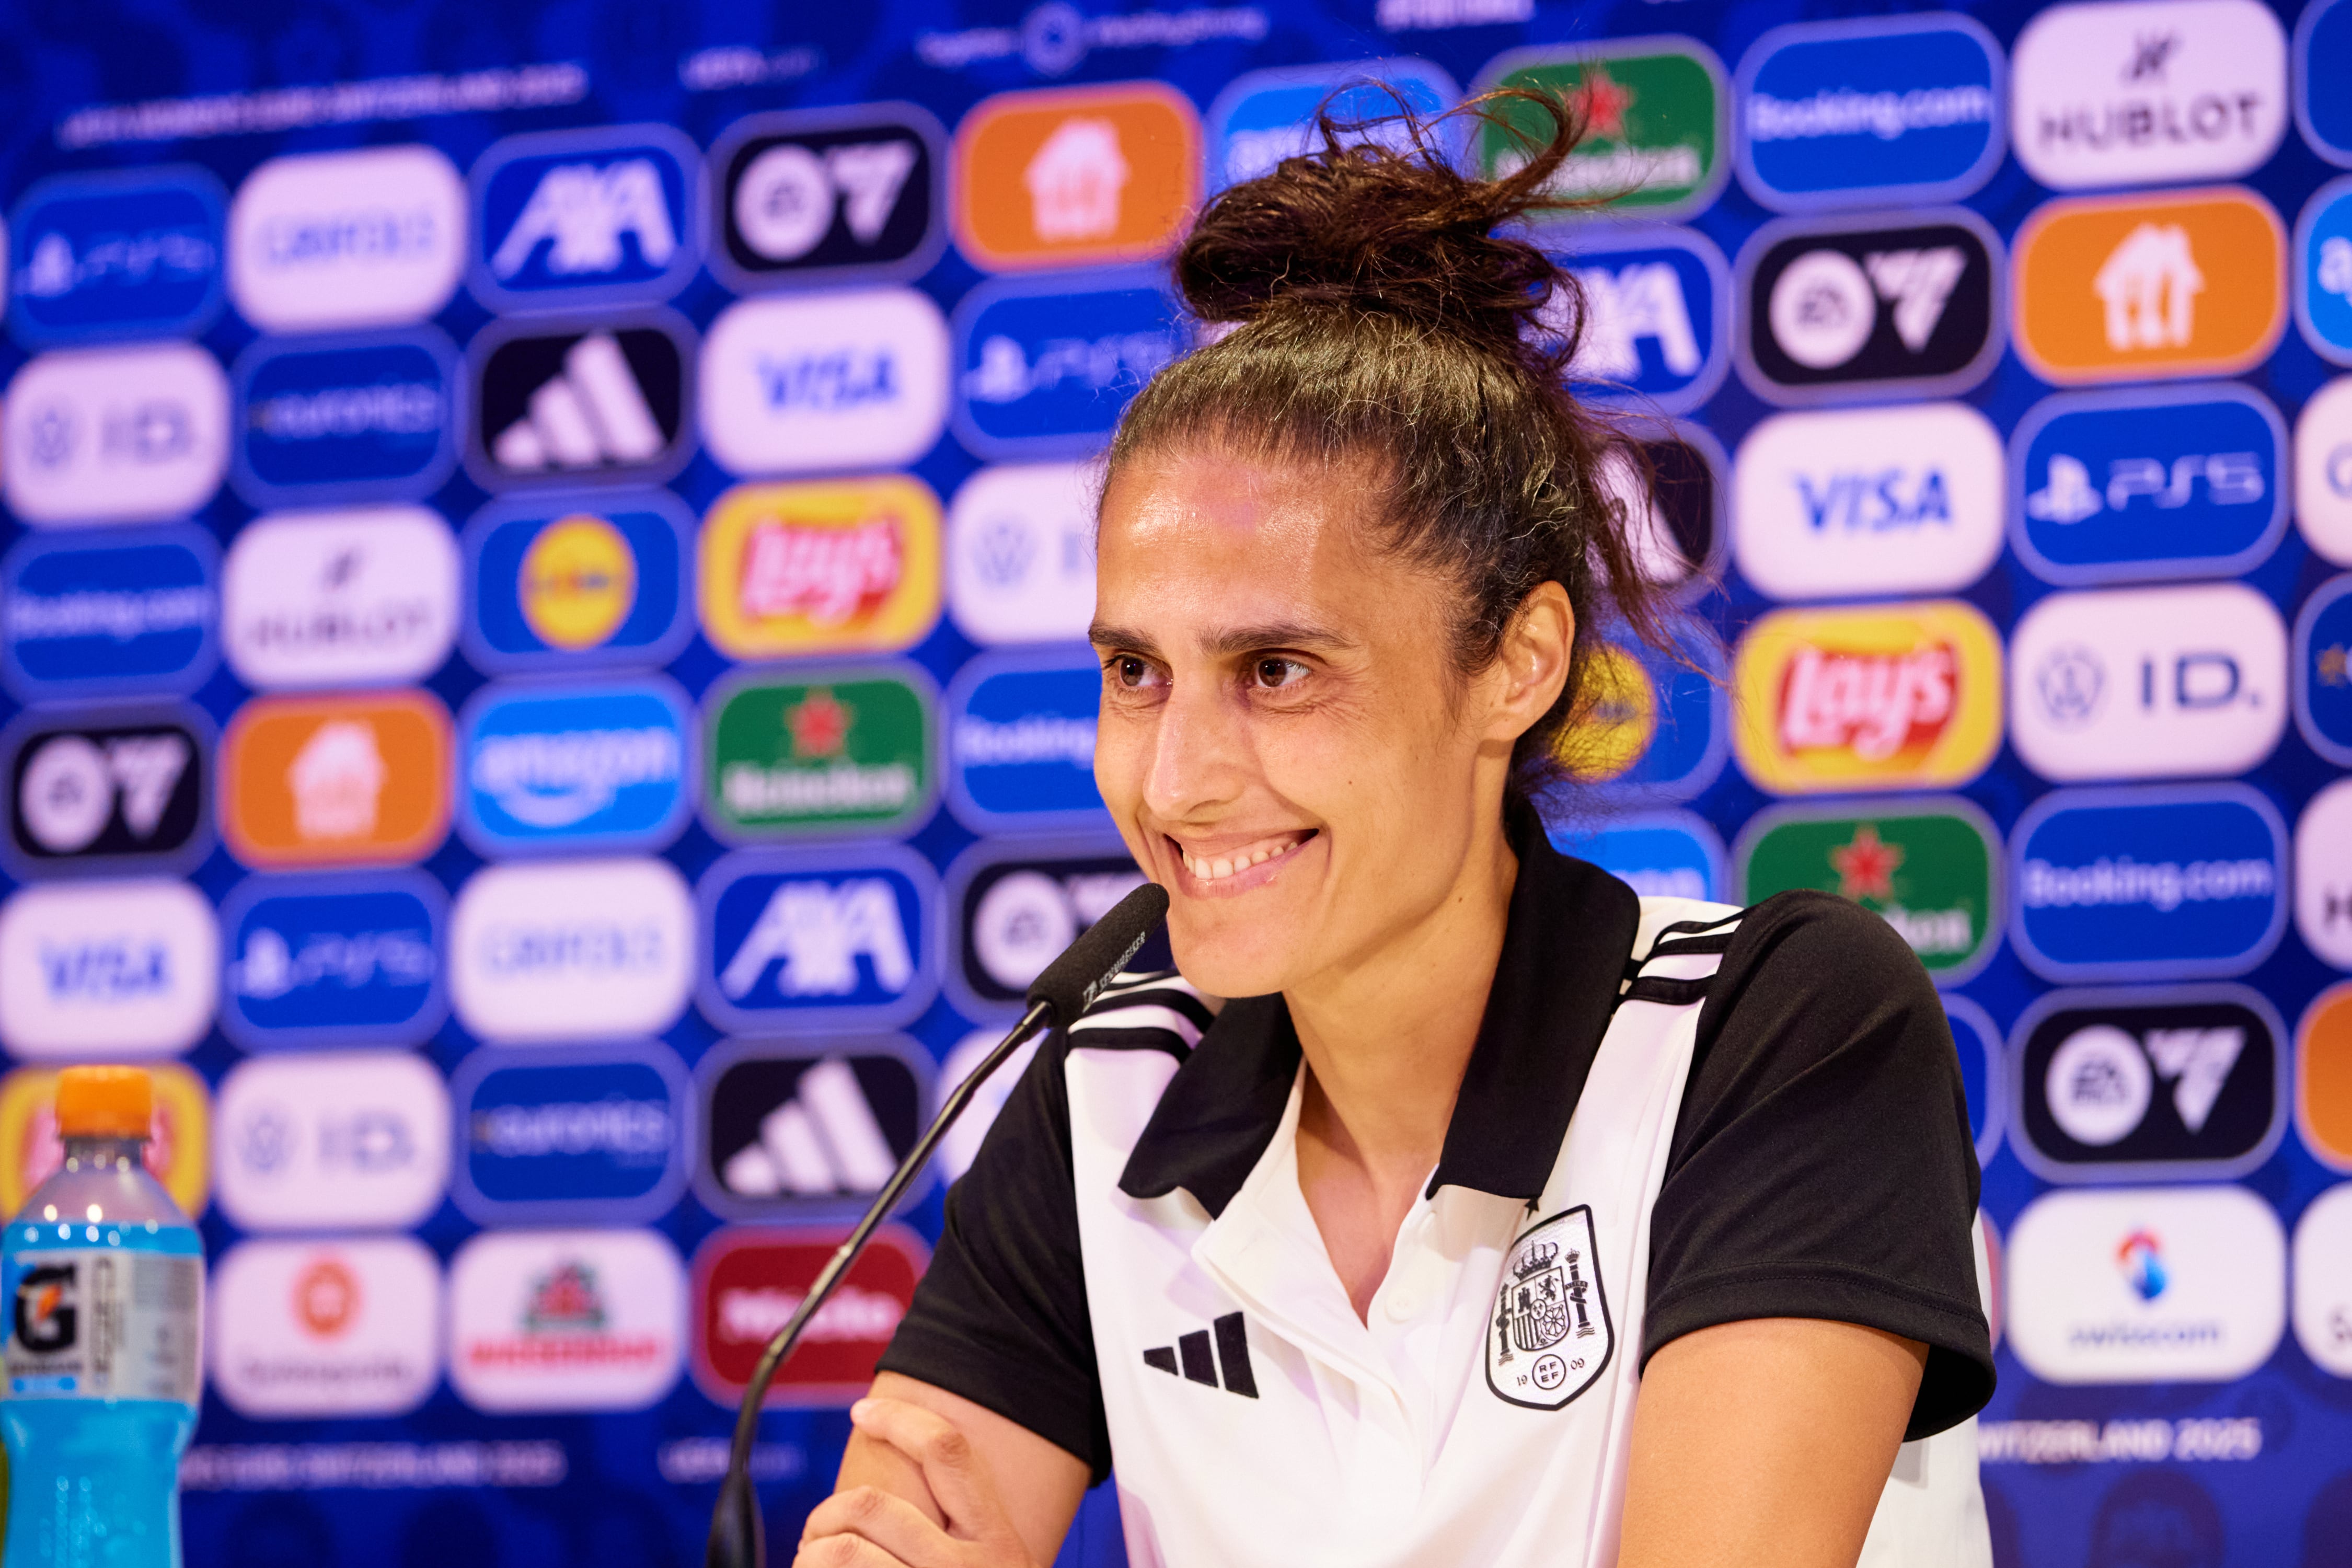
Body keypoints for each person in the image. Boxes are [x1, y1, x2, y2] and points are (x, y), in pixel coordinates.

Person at [797, 90, 1994, 1568]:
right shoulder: (1108, 1083)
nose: (1172, 783)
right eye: (1133, 672)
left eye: (1277, 672)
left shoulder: (1772, 1029)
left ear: (1517, 664)